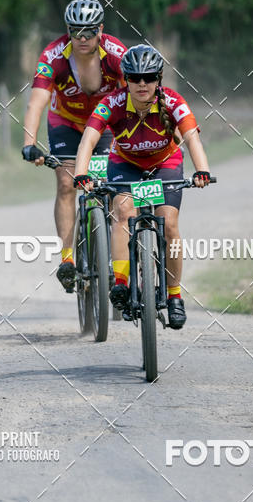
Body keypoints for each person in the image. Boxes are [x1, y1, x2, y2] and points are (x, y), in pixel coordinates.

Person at [73, 44, 212, 330]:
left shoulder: (173, 101)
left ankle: (174, 296)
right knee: (122, 212)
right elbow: (88, 138)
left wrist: (203, 170)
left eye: (149, 78)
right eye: (134, 78)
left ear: (159, 78)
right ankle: (122, 283)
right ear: (126, 79)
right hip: (125, 164)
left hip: (165, 164)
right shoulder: (112, 102)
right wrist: (81, 174)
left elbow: (192, 138)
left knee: (169, 223)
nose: (142, 84)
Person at [21, 0, 126, 292]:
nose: (82, 38)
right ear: (67, 30)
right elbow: (38, 100)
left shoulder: (116, 52)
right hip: (65, 123)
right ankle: (68, 259)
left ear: (101, 29)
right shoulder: (53, 54)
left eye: (89, 32)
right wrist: (30, 142)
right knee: (67, 183)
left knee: (117, 189)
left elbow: (139, 93)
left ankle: (122, 254)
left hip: (105, 125)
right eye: (75, 31)